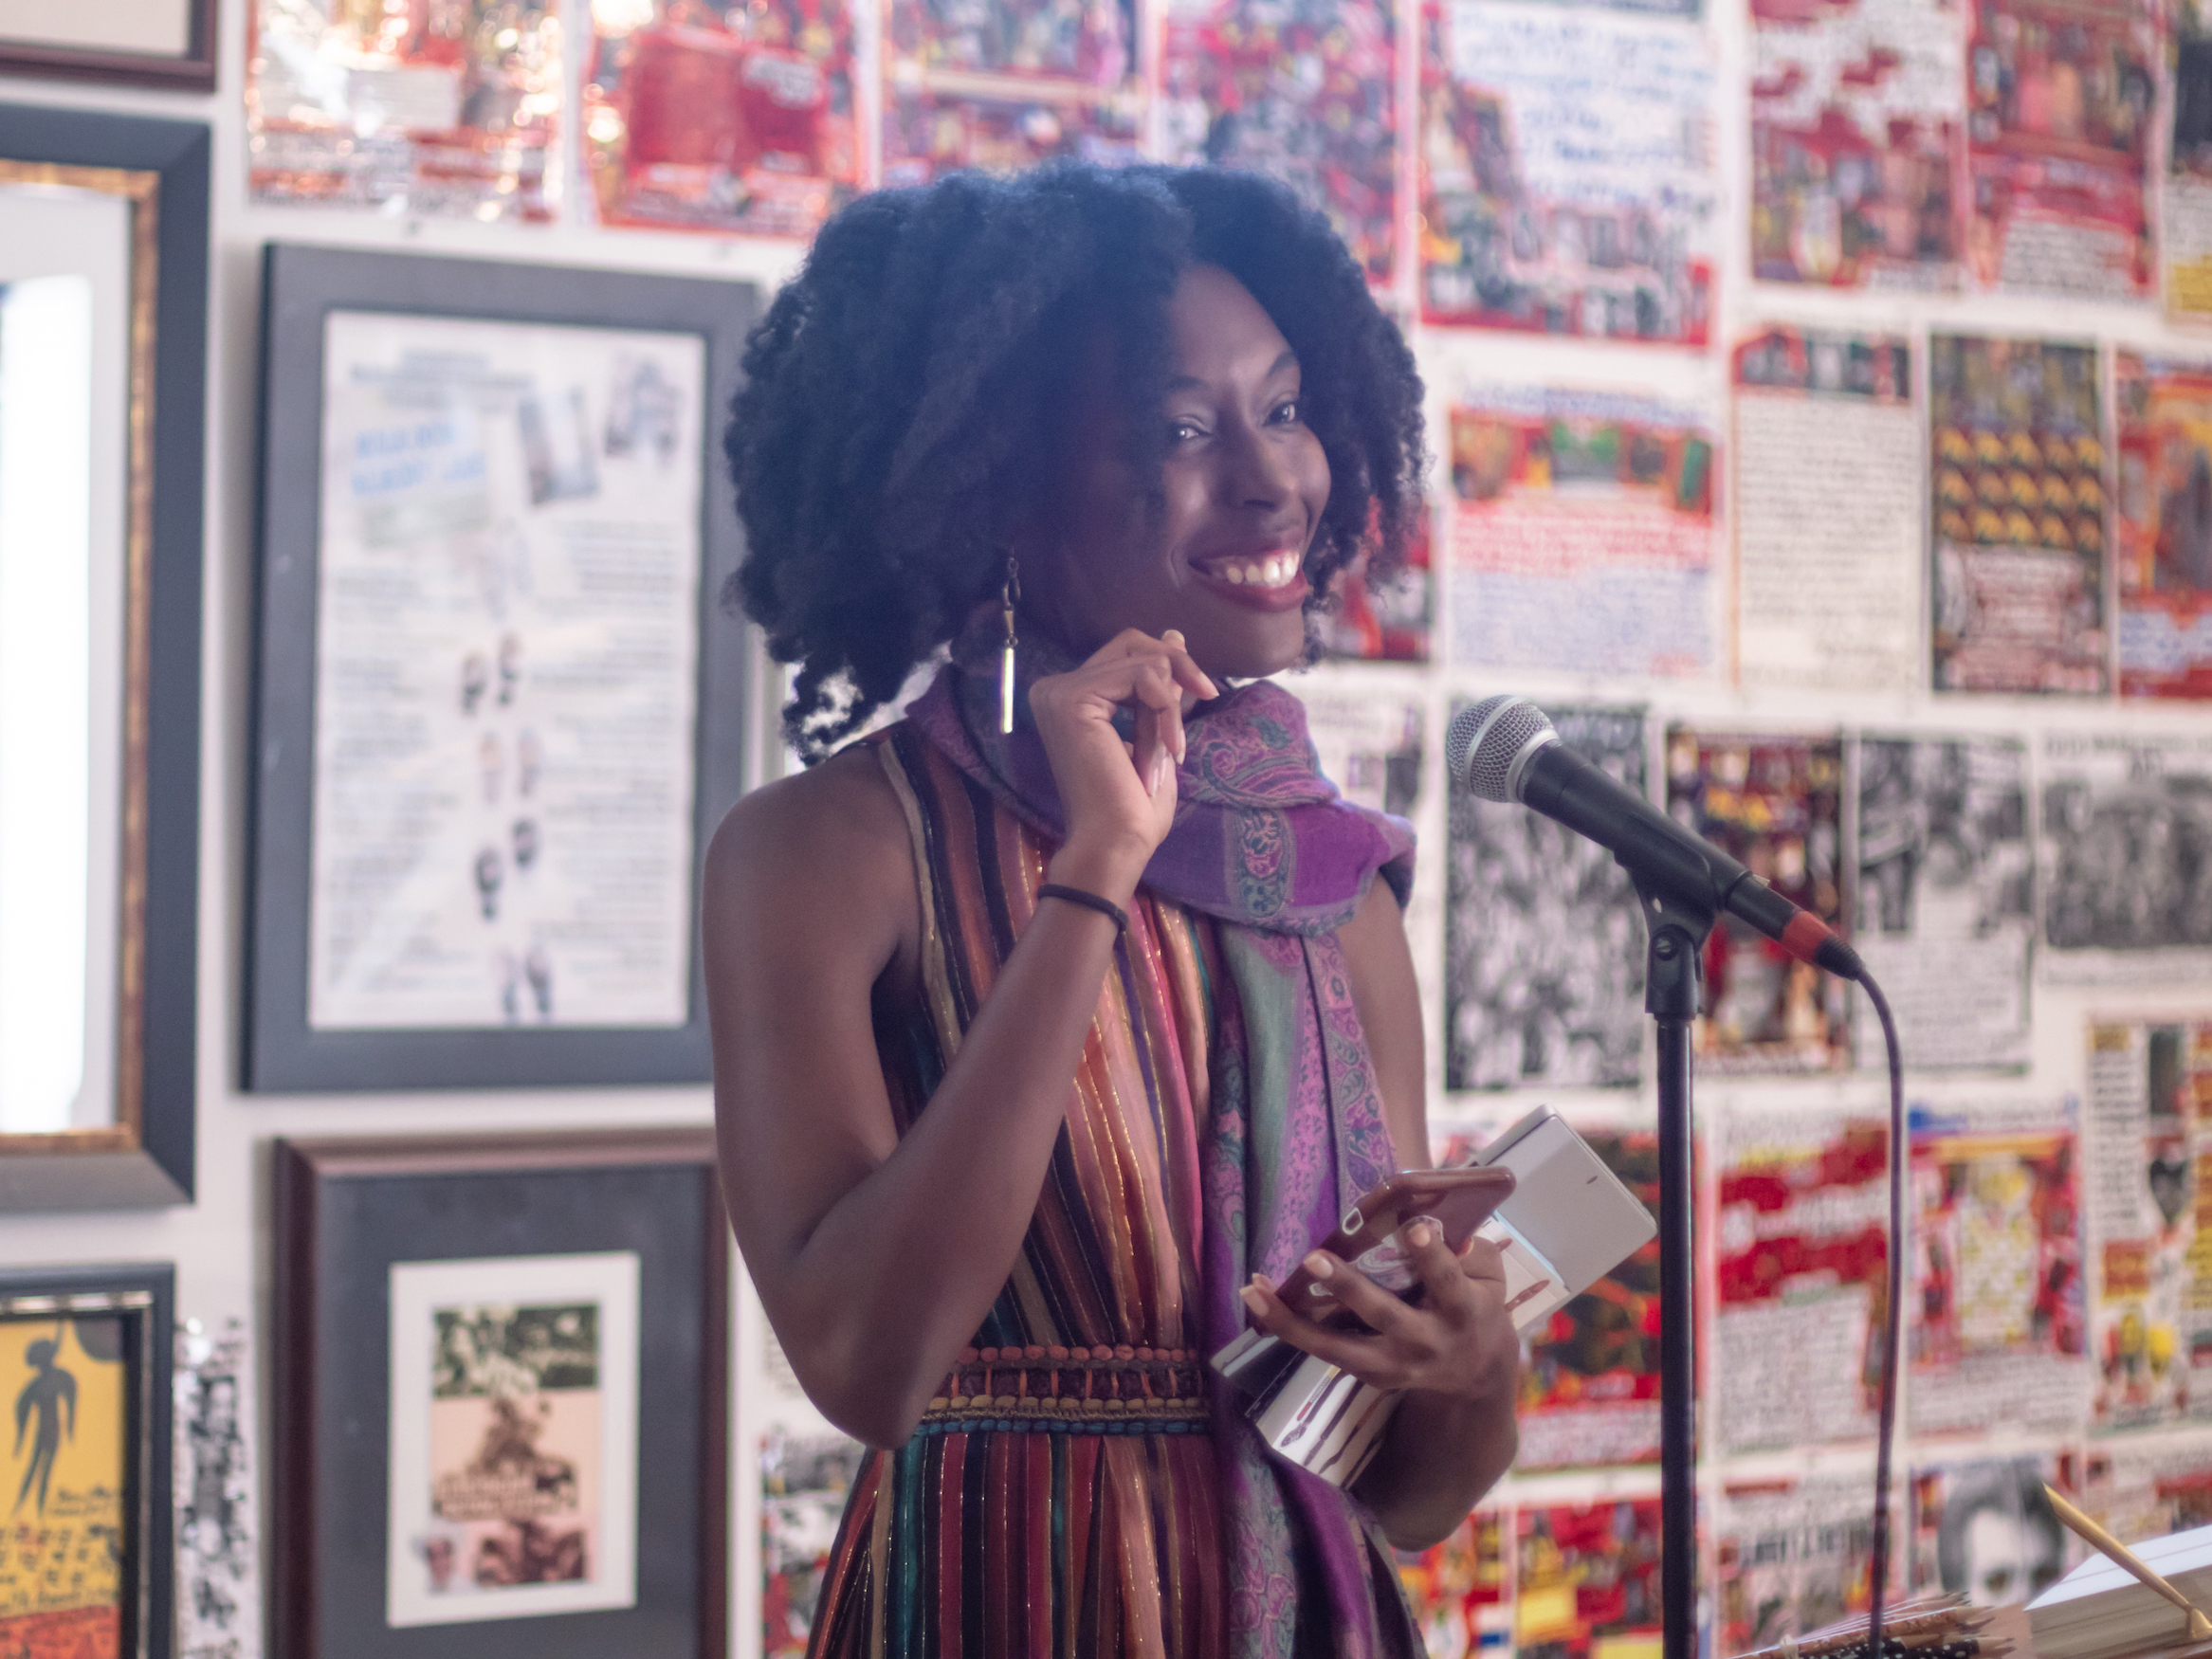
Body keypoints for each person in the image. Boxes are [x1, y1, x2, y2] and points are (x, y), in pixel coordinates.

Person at [706, 161, 1520, 1658]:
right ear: (1001, 494)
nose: (1272, 480)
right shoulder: (825, 851)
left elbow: (1404, 1494)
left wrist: (1468, 1369)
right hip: (997, 1603)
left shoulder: (1331, 881)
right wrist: (1092, 870)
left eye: (1282, 409)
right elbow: (869, 1361)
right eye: (1182, 432)